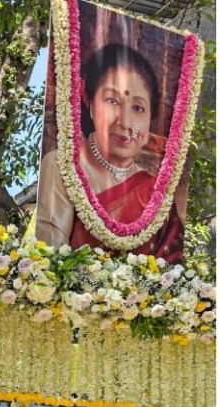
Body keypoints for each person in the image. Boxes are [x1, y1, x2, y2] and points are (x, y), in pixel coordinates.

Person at [37, 43, 184, 264]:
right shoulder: (63, 165)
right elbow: (48, 262)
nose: (125, 123)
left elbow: (172, 275)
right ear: (89, 102)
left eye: (138, 108)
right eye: (112, 101)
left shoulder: (157, 193)